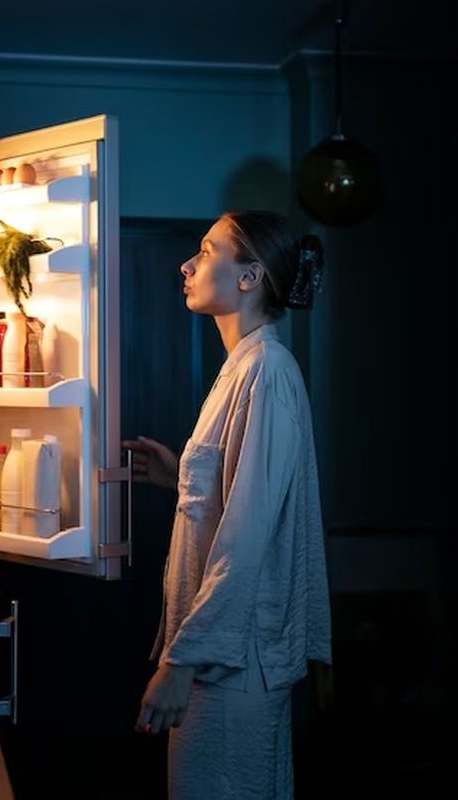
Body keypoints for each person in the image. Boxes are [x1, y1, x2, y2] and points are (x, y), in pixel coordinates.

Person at [123, 210, 332, 800]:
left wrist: (180, 662)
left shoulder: (266, 371)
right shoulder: (242, 367)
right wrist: (180, 482)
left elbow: (245, 537)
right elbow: (241, 498)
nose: (187, 265)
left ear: (249, 277)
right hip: (222, 655)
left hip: (233, 659)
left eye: (207, 251)